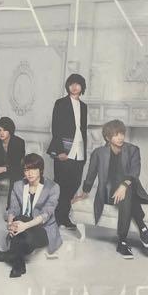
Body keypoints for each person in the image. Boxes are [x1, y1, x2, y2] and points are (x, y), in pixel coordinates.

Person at [73, 119, 148, 257]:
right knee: (127, 194)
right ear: (107, 137)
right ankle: (143, 229)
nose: (120, 137)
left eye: (122, 133)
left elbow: (134, 172)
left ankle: (122, 241)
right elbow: (91, 174)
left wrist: (123, 186)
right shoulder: (98, 153)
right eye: (116, 134)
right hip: (108, 194)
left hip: (129, 191)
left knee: (128, 193)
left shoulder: (133, 150)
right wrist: (84, 192)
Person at [0, 153, 61, 277]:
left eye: (33, 169)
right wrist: (10, 224)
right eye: (26, 170)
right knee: (19, 220)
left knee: (25, 234)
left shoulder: (52, 187)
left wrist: (24, 226)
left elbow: (46, 214)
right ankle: (18, 264)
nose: (29, 173)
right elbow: (13, 209)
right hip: (22, 225)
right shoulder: (18, 185)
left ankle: (8, 255)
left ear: (41, 170)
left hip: (44, 228)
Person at [46, 72, 88, 232]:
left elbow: (82, 130)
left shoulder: (84, 106)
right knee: (61, 185)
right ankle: (55, 218)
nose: (74, 87)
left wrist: (84, 153)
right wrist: (59, 150)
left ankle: (64, 217)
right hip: (64, 150)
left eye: (78, 84)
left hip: (79, 151)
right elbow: (55, 128)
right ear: (68, 86)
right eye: (71, 84)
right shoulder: (61, 103)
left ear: (82, 87)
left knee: (74, 183)